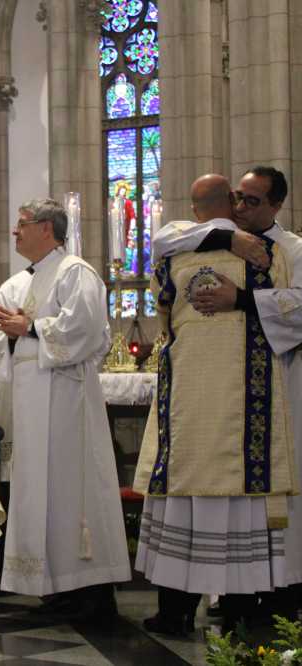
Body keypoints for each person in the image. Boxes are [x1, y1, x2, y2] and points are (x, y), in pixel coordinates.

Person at [143, 168, 302, 633]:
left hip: (265, 391)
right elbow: (160, 243)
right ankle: (208, 606)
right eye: (237, 198)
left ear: (276, 205)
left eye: (252, 200)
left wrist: (244, 299)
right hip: (204, 400)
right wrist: (227, 238)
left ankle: (255, 603)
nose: (241, 206)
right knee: (211, 496)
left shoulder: (289, 250)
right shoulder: (196, 242)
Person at [0, 198, 130, 622]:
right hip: (27, 404)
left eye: (22, 224)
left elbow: (85, 330)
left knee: (71, 492)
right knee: (37, 493)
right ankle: (53, 589)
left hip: (65, 401)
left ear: (47, 228)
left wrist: (28, 327)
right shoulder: (17, 283)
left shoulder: (74, 272)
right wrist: (15, 333)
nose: (15, 231)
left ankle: (89, 592)